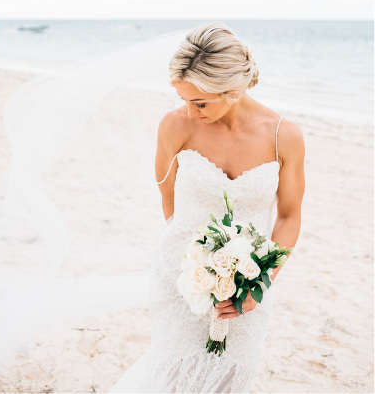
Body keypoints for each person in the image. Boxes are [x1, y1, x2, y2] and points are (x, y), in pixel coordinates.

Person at [112, 23, 305, 392]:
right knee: (172, 376)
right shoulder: (175, 126)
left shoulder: (285, 137)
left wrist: (259, 281)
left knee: (229, 379)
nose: (190, 110)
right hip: (180, 278)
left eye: (200, 102)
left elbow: (289, 215)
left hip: (250, 282)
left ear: (233, 91)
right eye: (183, 99)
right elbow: (168, 201)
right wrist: (199, 261)